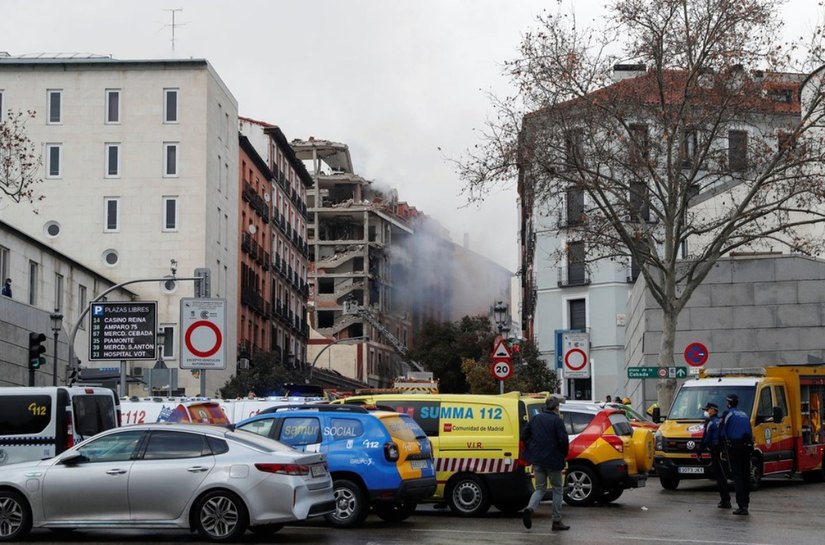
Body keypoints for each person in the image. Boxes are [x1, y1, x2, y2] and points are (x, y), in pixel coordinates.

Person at [521, 395, 570, 531]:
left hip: (538, 460)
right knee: (557, 489)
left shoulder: (536, 418)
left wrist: (533, 447)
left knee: (540, 488)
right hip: (553, 461)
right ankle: (556, 521)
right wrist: (563, 454)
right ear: (555, 407)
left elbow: (524, 435)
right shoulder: (557, 421)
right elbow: (563, 440)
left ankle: (530, 509)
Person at [721, 393, 753, 515]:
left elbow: (722, 432)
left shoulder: (728, 415)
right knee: (746, 476)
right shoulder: (744, 414)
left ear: (729, 403)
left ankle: (741, 505)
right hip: (747, 447)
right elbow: (749, 432)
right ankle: (746, 504)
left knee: (737, 476)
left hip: (735, 447)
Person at [700, 402, 731, 509]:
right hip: (724, 452)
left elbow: (706, 439)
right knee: (724, 476)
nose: (706, 412)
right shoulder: (721, 421)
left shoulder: (711, 423)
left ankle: (725, 501)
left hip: (716, 453)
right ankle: (725, 500)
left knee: (720, 478)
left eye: (708, 410)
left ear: (713, 410)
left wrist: (699, 451)